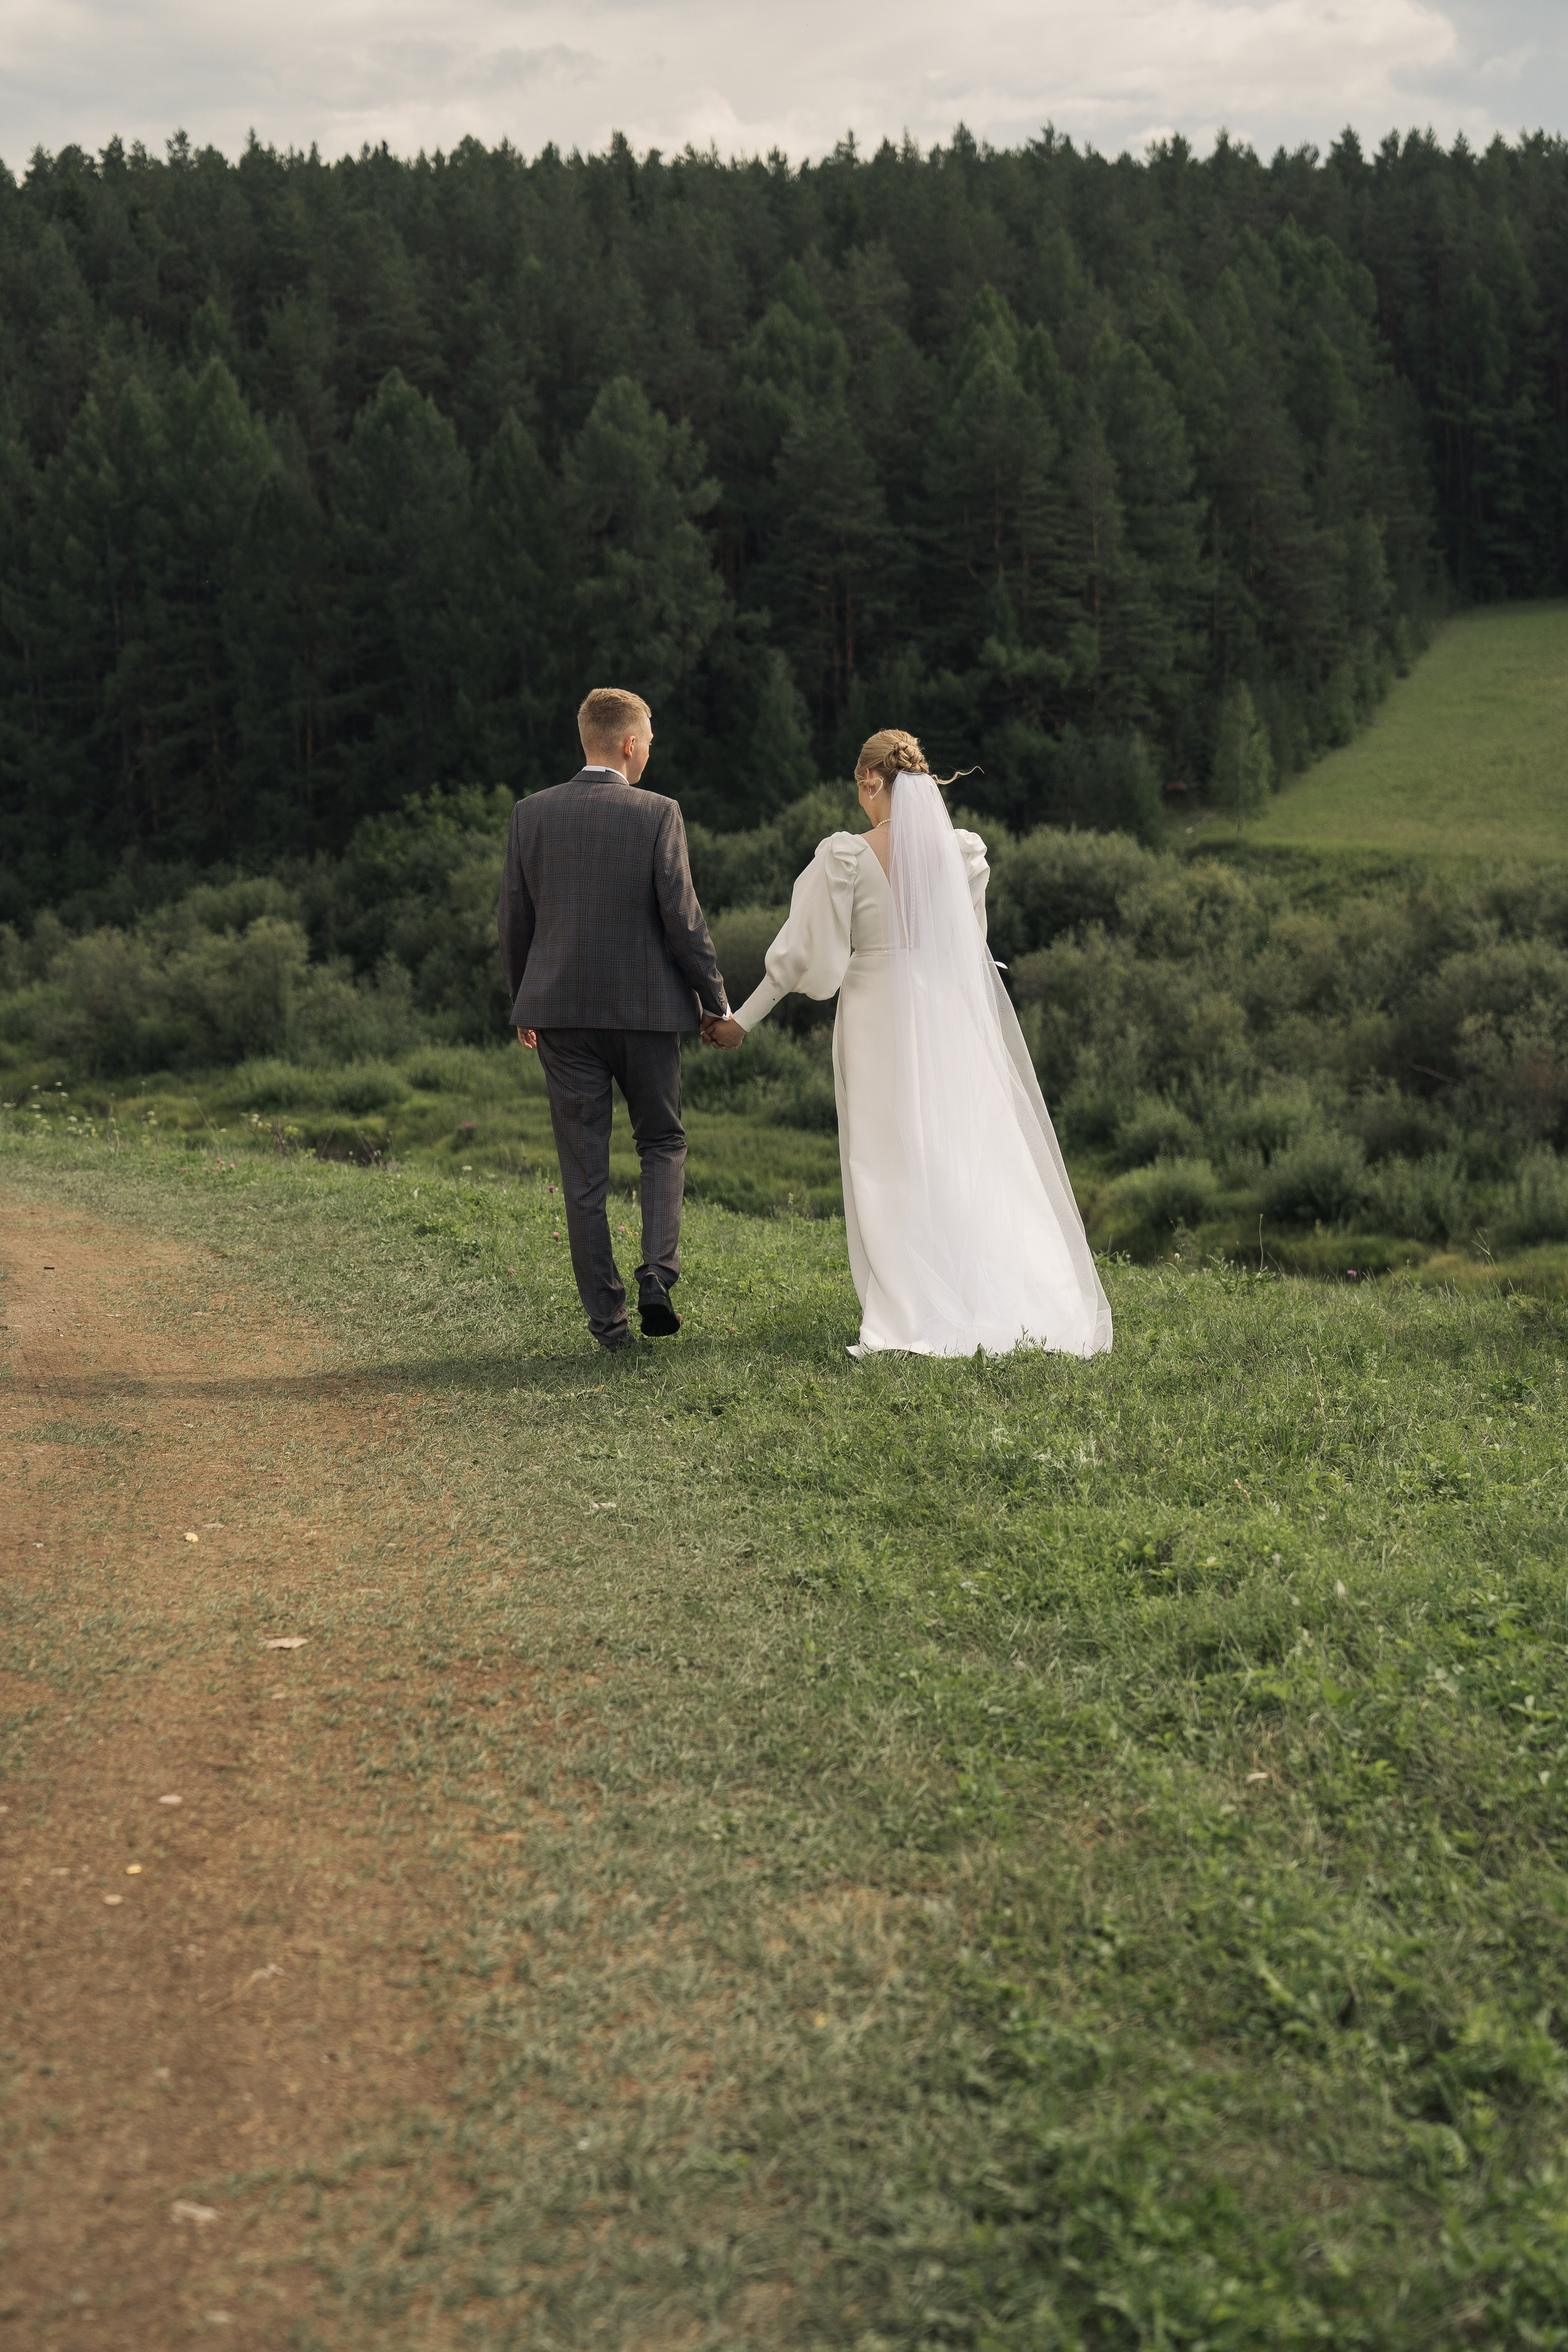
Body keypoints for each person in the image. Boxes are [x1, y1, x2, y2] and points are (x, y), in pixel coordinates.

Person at [703, 729, 1112, 1359]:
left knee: (884, 1161)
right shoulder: (962, 853)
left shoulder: (845, 857)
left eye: (860, 788)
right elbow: (969, 944)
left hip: (875, 1014)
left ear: (871, 780)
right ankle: (987, 1294)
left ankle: (906, 1308)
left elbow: (800, 960)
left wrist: (740, 1020)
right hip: (948, 1015)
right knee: (957, 1153)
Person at [498, 687, 729, 1350]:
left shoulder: (530, 815)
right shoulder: (659, 814)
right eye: (650, 736)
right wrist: (715, 1002)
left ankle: (610, 1325)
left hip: (561, 1013)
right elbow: (683, 922)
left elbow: (515, 918)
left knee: (584, 1174)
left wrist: (525, 999)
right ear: (629, 744)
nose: (651, 747)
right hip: (648, 1012)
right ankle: (657, 1272)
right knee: (660, 1142)